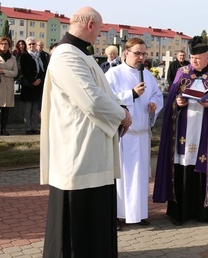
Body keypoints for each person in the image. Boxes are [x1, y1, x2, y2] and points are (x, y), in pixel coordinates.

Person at [40, 6, 132, 257]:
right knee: (76, 229)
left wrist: (120, 107)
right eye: (100, 29)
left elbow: (103, 94)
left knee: (93, 225)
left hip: (92, 152)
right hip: (78, 155)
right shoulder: (66, 56)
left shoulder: (81, 55)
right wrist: (122, 115)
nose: (100, 35)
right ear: (90, 25)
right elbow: (91, 100)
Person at [152, 36, 208, 226]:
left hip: (207, 132)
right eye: (192, 57)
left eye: (198, 58)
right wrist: (178, 102)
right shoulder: (181, 72)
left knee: (205, 166)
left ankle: (206, 213)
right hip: (184, 132)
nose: (194, 61)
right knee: (183, 165)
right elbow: (172, 101)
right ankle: (181, 212)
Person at [105, 37, 163, 230]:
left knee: (140, 177)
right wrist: (131, 94)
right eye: (137, 53)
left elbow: (157, 94)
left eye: (144, 54)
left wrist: (155, 104)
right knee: (122, 177)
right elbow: (106, 98)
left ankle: (137, 213)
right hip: (124, 135)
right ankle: (116, 215)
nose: (141, 57)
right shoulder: (114, 74)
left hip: (142, 134)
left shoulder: (148, 75)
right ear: (125, 54)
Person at [20, 37, 48, 135]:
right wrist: (33, 81)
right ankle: (28, 128)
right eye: (30, 44)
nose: (32, 46)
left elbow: (44, 69)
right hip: (29, 86)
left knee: (36, 109)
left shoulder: (41, 56)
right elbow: (25, 71)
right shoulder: (24, 56)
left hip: (38, 86)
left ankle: (35, 127)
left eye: (33, 44)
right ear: (27, 46)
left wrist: (39, 80)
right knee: (28, 109)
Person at [0, 37, 18, 136]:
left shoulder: (13, 58)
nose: (4, 46)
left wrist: (3, 71)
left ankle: (3, 128)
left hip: (8, 86)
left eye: (6, 44)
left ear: (9, 46)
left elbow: (15, 73)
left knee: (6, 109)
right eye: (2, 44)